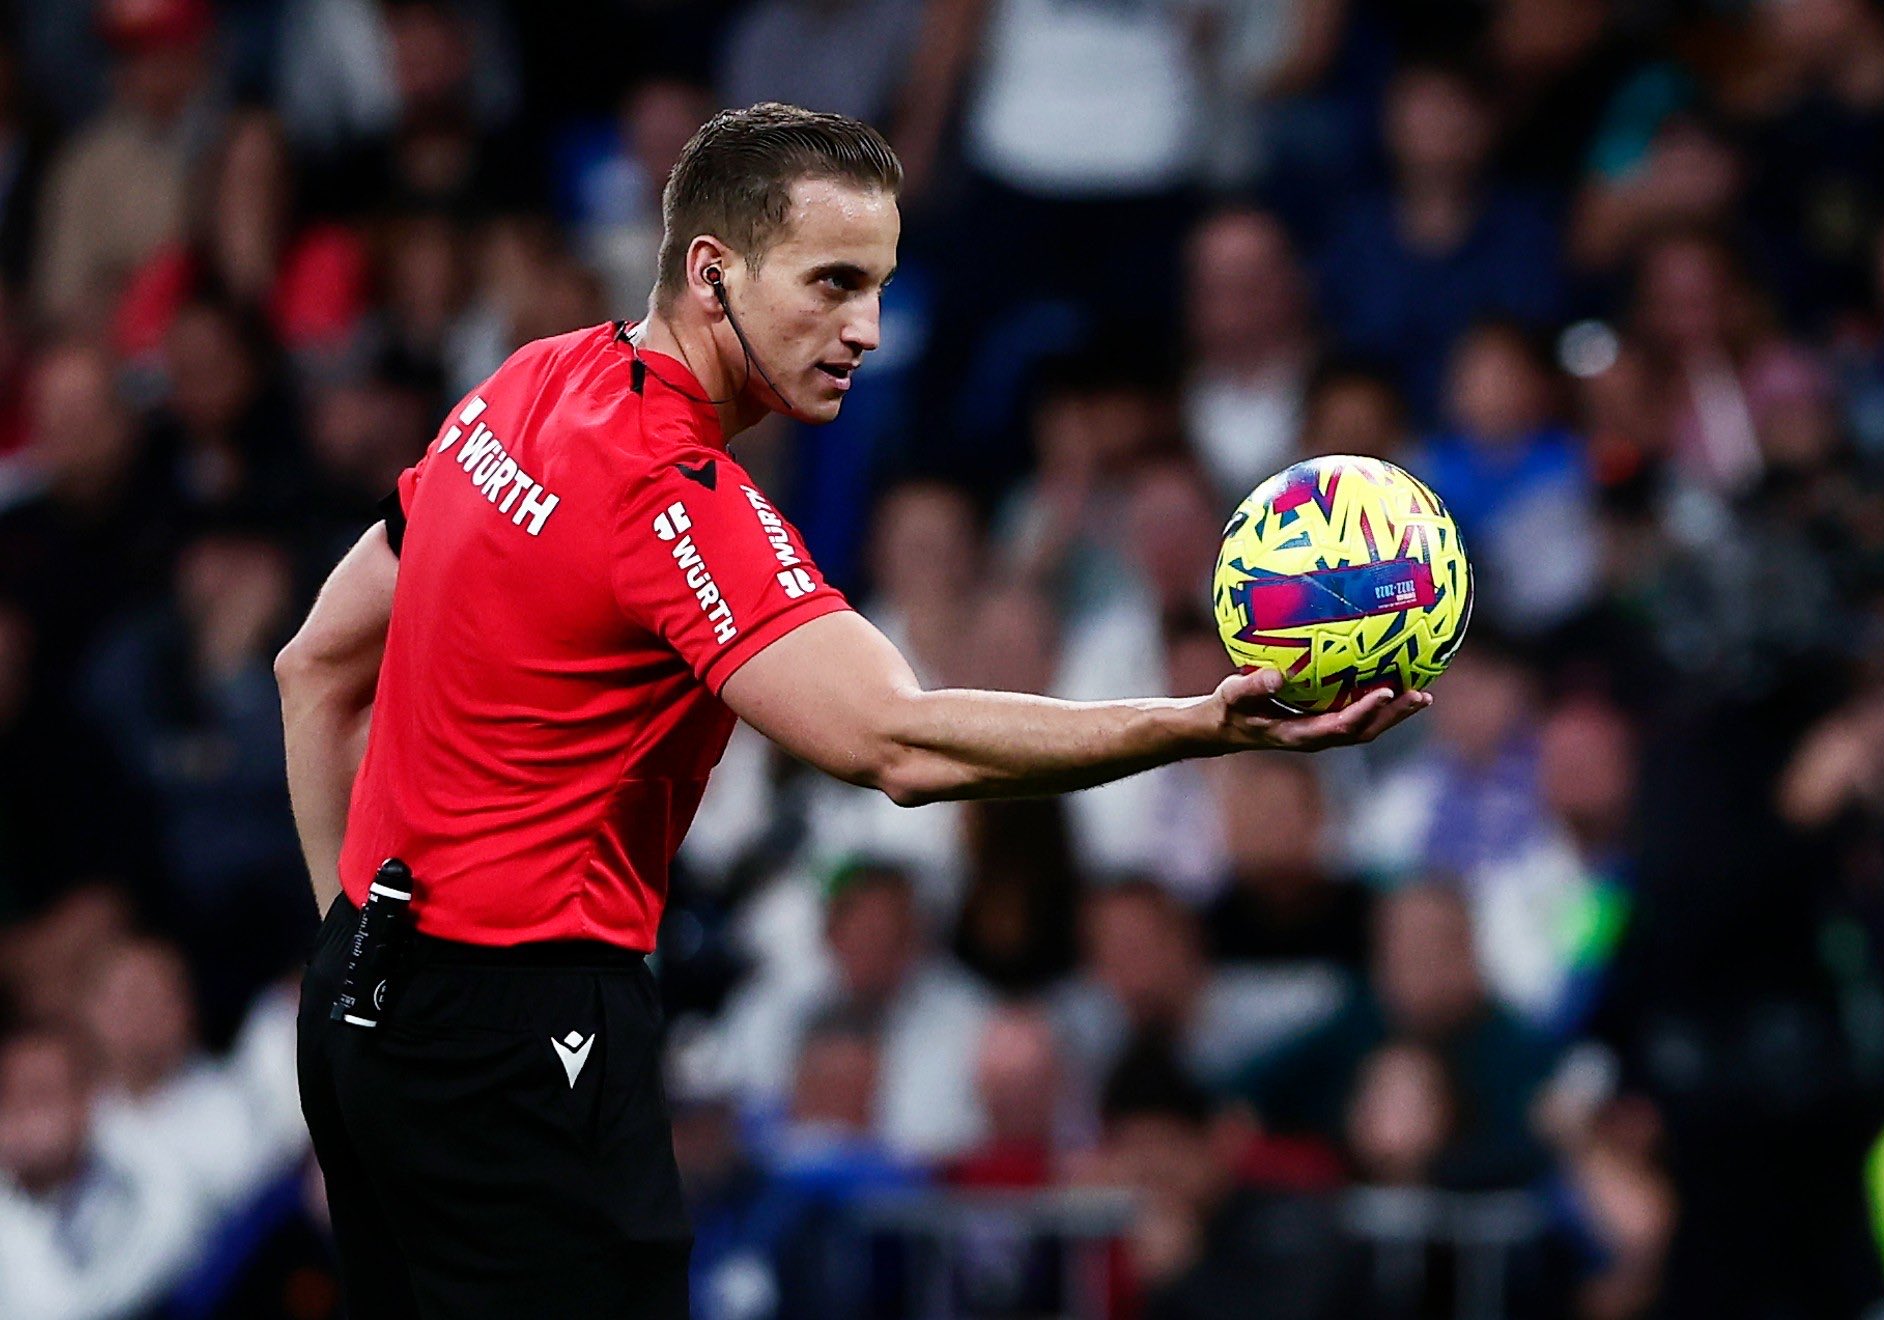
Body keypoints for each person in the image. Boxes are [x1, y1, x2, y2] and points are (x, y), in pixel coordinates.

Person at [277, 102, 1429, 1319]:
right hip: (522, 1035)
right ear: (712, 273)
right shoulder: (674, 496)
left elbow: (314, 669)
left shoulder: (525, 385)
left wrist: (350, 947)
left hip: (367, 1013)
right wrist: (1205, 724)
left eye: (878, 287)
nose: (867, 329)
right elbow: (897, 743)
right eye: (831, 284)